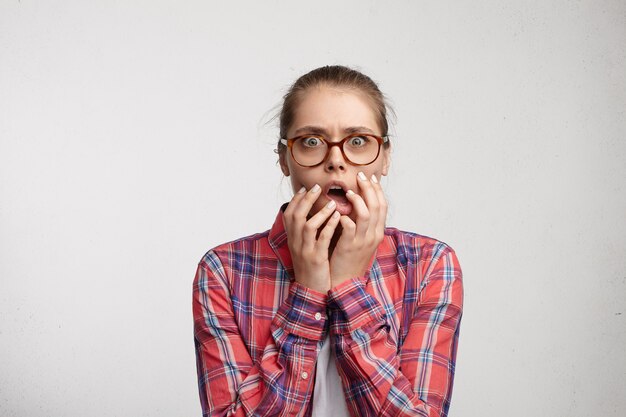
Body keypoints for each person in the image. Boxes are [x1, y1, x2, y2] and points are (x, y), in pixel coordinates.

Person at [192, 65, 463, 417]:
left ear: (386, 157)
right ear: (284, 159)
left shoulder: (429, 264)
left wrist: (348, 286)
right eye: (311, 142)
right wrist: (308, 292)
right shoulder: (224, 271)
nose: (336, 161)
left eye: (358, 141)